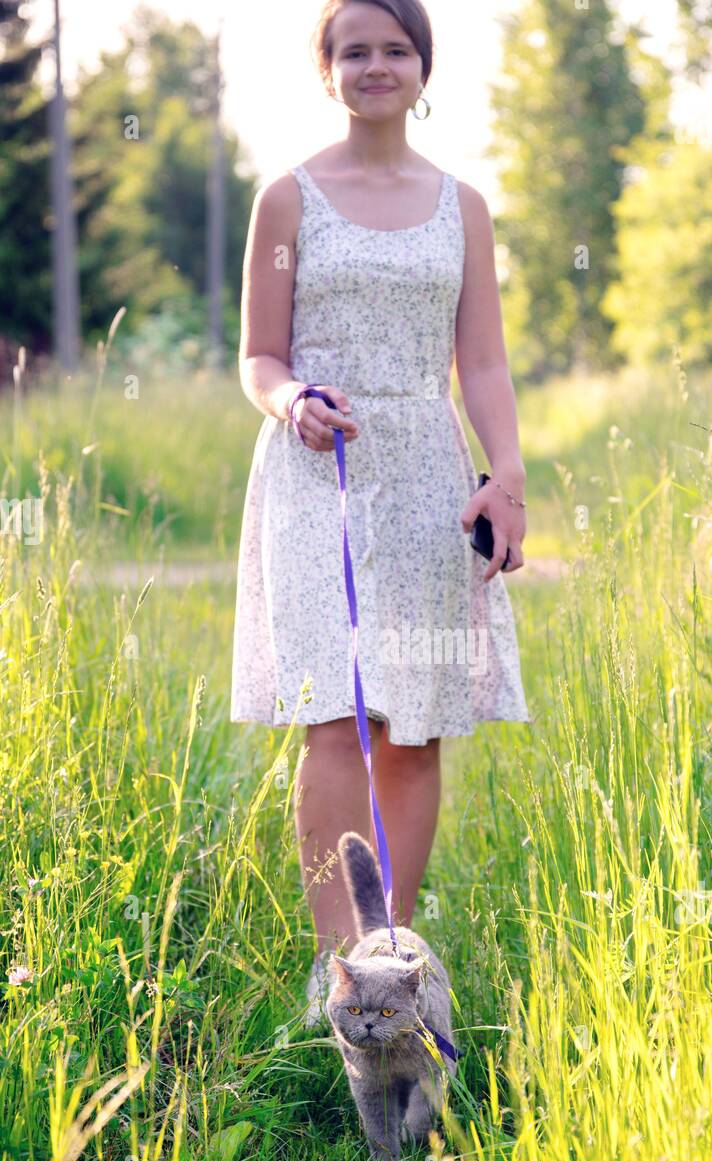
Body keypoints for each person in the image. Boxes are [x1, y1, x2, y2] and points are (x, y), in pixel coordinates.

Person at [231, 0, 532, 1026]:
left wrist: (506, 476)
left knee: (413, 726)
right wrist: (289, 400)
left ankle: (393, 962)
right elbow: (258, 354)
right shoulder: (286, 199)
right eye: (352, 50)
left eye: (392, 49)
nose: (374, 65)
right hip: (318, 468)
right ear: (325, 72)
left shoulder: (463, 204)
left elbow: (481, 360)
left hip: (424, 472)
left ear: (420, 67)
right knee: (333, 717)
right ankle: (337, 971)